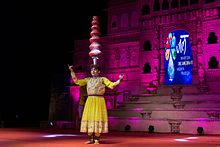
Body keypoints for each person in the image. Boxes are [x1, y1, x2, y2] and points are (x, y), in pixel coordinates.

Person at [68, 64, 124, 144]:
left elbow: (111, 84)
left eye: (95, 70)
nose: (93, 71)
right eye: (92, 70)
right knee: (90, 118)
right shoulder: (87, 80)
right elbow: (77, 81)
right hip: (90, 100)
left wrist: (119, 80)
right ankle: (90, 139)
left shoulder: (102, 79)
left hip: (99, 100)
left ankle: (97, 138)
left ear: (99, 72)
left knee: (98, 118)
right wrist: (72, 71)